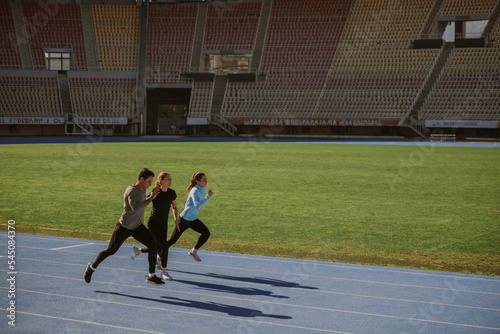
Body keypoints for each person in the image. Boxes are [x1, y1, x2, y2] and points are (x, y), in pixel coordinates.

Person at [83, 168, 165, 285]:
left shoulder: (143, 190)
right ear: (141, 179)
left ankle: (151, 276)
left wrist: (152, 195)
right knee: (111, 250)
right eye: (148, 181)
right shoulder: (131, 190)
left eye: (151, 182)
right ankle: (91, 267)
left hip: (136, 226)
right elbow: (136, 208)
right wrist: (150, 198)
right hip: (124, 226)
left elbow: (142, 203)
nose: (150, 184)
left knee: (153, 245)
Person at [130, 172, 178, 281]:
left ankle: (138, 251)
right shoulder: (156, 192)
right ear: (161, 181)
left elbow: (174, 206)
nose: (170, 181)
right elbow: (144, 205)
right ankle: (164, 272)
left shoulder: (171, 193)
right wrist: (140, 221)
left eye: (171, 179)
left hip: (163, 224)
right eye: (168, 179)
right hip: (153, 223)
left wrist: (176, 219)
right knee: (164, 246)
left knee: (158, 246)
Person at [166, 172, 213, 263]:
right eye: (204, 179)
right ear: (197, 181)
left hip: (193, 220)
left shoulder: (201, 189)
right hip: (184, 220)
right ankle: (159, 257)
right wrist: (208, 197)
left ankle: (193, 251)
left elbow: (193, 202)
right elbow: (197, 205)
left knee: (206, 233)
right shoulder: (195, 190)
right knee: (172, 240)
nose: (206, 181)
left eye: (206, 179)